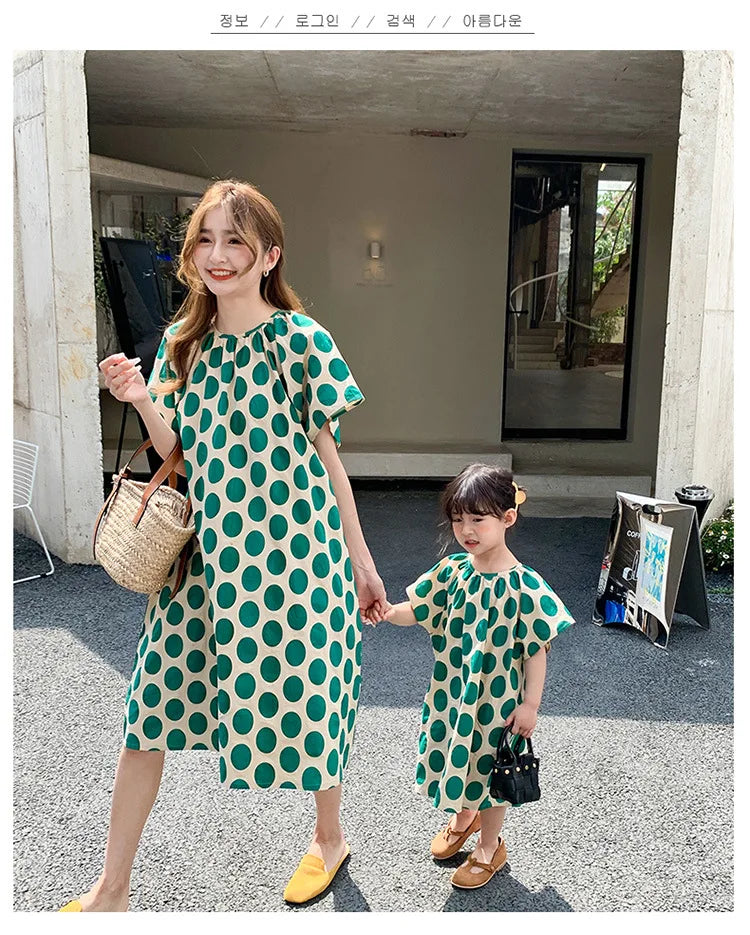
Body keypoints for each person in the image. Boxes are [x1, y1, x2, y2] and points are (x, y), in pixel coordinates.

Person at [61, 179, 387, 911]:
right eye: (205, 238)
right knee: (147, 710)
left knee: (314, 697)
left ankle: (328, 837)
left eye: (235, 239)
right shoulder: (184, 344)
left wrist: (363, 566)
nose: (217, 254)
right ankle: (113, 888)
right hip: (204, 563)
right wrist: (141, 396)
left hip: (296, 560)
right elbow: (179, 449)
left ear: (268, 254)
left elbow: (331, 462)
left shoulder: (302, 342)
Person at [383, 464, 574, 890]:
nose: (466, 530)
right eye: (458, 520)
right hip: (454, 694)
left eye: (477, 519)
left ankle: (490, 845)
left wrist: (530, 705)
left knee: (488, 772)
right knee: (460, 756)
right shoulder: (452, 571)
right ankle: (464, 817)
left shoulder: (525, 585)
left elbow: (536, 648)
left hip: (497, 703)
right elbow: (417, 610)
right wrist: (387, 611)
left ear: (507, 518)